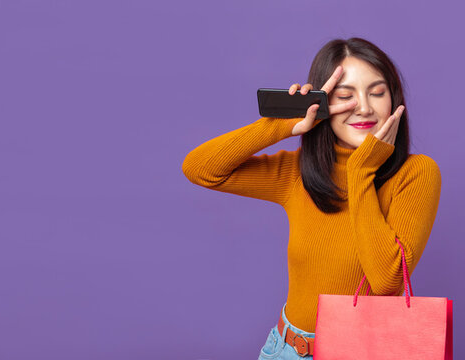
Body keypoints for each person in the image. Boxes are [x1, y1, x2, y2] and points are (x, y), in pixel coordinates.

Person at [181, 37, 442, 359]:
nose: (364, 107)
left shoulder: (415, 173)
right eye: (344, 96)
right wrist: (280, 125)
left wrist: (361, 173)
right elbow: (200, 169)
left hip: (360, 352)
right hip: (286, 349)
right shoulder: (298, 172)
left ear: (394, 100)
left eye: (377, 92)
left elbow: (388, 280)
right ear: (322, 105)